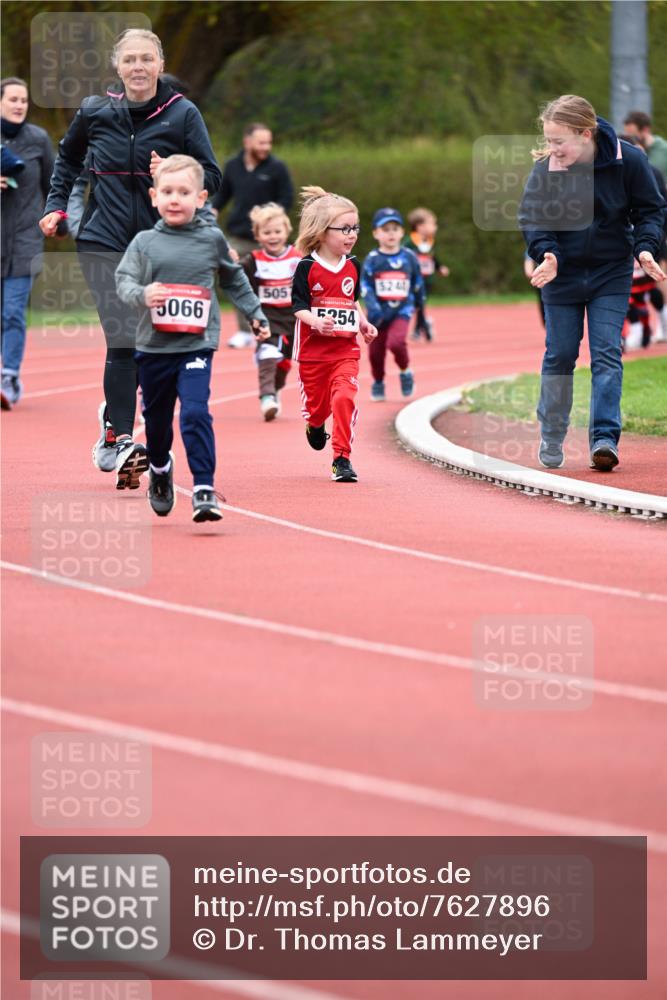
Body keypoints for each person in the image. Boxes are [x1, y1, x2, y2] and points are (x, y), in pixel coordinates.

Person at [39, 28, 222, 489]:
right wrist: (54, 207)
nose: (138, 67)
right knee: (121, 339)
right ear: (118, 68)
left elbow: (213, 179)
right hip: (102, 241)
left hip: (163, 244)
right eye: (130, 60)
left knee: (151, 344)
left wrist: (175, 170)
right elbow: (66, 162)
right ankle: (122, 438)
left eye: (147, 59)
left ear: (159, 65)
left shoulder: (182, 114)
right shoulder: (95, 111)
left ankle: (113, 416)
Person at [115, 154, 269, 520]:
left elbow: (233, 279)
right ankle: (160, 470)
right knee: (156, 421)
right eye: (167, 191)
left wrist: (255, 314)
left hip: (197, 344)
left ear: (200, 199)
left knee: (196, 412)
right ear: (153, 196)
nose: (174, 199)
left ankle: (203, 488)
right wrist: (143, 294)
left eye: (184, 192)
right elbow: (123, 282)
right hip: (153, 346)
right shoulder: (144, 242)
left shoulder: (211, 239)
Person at [520, 95, 665, 472]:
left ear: (586, 134)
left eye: (559, 141)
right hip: (561, 272)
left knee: (606, 353)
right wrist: (547, 253)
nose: (553, 149)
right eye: (549, 141)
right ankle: (552, 433)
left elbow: (651, 209)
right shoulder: (547, 169)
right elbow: (533, 217)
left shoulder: (628, 160)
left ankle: (604, 439)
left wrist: (646, 248)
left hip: (610, 272)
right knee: (561, 354)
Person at [291, 186, 377, 483]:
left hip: (344, 350)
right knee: (318, 409)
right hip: (312, 354)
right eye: (344, 229)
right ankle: (315, 424)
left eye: (355, 228)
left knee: (344, 397)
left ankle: (342, 458)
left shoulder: (354, 265)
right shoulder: (307, 267)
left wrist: (363, 324)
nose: (352, 235)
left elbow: (352, 302)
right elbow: (298, 308)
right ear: (322, 231)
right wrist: (315, 321)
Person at [1, 77, 65, 410]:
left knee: (12, 312)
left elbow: (55, 185)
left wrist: (59, 219)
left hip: (26, 239)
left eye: (23, 100)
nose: (18, 105)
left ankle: (9, 377)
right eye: (12, 99)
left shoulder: (38, 139)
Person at [211, 123, 294, 348]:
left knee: (272, 283)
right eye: (261, 142)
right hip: (239, 235)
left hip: (269, 239)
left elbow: (287, 198)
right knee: (235, 278)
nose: (266, 147)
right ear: (247, 142)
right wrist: (211, 210)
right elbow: (222, 195)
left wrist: (273, 223)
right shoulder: (233, 165)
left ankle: (278, 326)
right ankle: (244, 330)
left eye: (269, 142)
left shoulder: (277, 168)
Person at [239, 203, 300, 420]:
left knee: (284, 362)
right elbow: (236, 277)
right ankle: (266, 398)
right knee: (267, 354)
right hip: (266, 318)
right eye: (267, 232)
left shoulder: (298, 257)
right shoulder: (253, 260)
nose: (273, 236)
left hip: (294, 319)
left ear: (286, 231)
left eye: (277, 231)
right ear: (258, 235)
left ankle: (274, 390)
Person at [361, 207, 424, 402]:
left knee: (396, 343)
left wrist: (419, 301)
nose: (390, 233)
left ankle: (405, 371)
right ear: (376, 233)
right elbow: (365, 286)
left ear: (402, 233)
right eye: (385, 229)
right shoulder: (372, 260)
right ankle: (378, 381)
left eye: (395, 229)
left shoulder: (409, 257)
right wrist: (373, 308)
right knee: (375, 353)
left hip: (402, 310)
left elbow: (417, 281)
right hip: (377, 314)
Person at [402, 206, 449, 341]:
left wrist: (440, 268)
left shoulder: (429, 242)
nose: (435, 227)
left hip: (427, 280)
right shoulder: (409, 242)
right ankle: (424, 326)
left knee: (420, 304)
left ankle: (418, 329)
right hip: (412, 280)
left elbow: (432, 257)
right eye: (432, 224)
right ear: (420, 226)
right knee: (415, 305)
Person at [622, 110, 667, 178]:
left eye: (633, 136)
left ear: (645, 130)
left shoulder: (664, 149)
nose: (629, 140)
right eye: (627, 135)